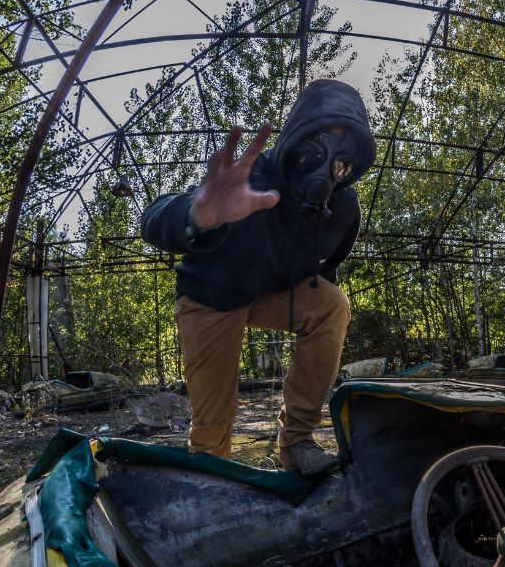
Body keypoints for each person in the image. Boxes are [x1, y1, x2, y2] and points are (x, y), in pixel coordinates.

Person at [141, 79, 377, 475]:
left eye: (342, 161)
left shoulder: (343, 210)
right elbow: (153, 218)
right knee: (212, 427)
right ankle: (211, 474)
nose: (325, 169)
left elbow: (325, 270)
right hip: (211, 296)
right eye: (314, 151)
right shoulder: (252, 179)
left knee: (331, 304)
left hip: (276, 292)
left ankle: (297, 441)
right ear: (294, 141)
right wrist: (196, 215)